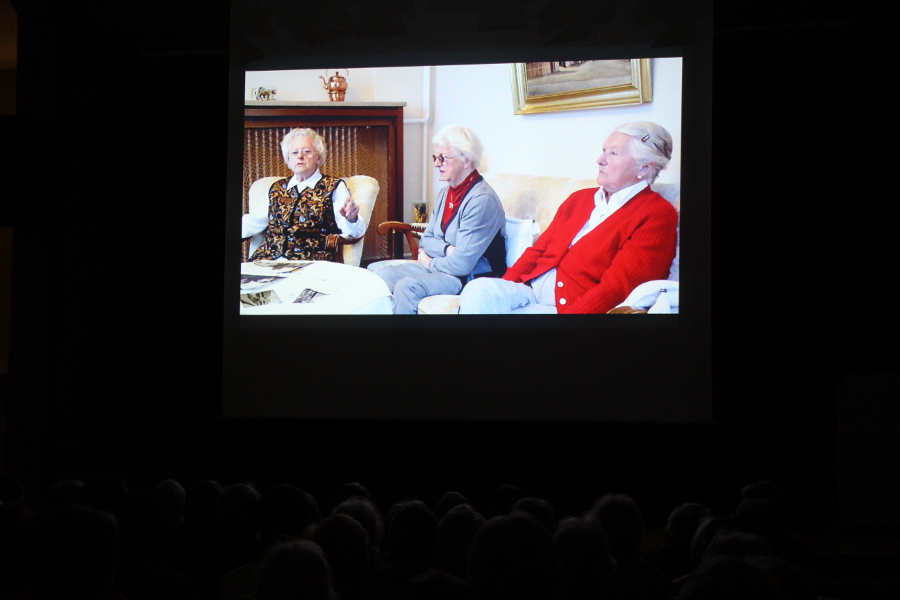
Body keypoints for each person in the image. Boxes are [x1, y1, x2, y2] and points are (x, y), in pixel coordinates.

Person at [459, 121, 678, 314]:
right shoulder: (579, 199)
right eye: (603, 151)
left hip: (567, 309)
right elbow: (538, 252)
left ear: (644, 167)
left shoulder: (657, 215)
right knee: (479, 290)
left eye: (613, 153)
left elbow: (619, 287)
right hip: (530, 290)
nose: (600, 159)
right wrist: (505, 288)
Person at [375, 126, 506, 314]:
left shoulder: (481, 200)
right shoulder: (446, 193)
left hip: (470, 276)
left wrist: (428, 262)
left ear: (467, 160)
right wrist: (446, 249)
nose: (437, 164)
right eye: (435, 158)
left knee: (407, 287)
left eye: (443, 158)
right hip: (444, 268)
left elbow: (461, 265)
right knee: (380, 274)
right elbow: (427, 239)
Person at [242, 128, 366, 261]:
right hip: (268, 260)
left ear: (319, 158)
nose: (300, 156)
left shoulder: (333, 187)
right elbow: (252, 222)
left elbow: (354, 231)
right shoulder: (277, 188)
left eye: (307, 152)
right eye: (294, 153)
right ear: (288, 160)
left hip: (310, 262)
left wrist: (352, 219)